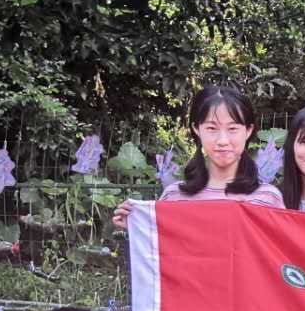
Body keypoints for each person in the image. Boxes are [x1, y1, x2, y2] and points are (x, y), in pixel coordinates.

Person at [113, 85, 283, 229]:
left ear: (248, 131)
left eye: (232, 129)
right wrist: (136, 225)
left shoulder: (268, 199)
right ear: (196, 129)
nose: (222, 141)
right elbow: (161, 248)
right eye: (211, 128)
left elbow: (277, 252)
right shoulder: (174, 197)